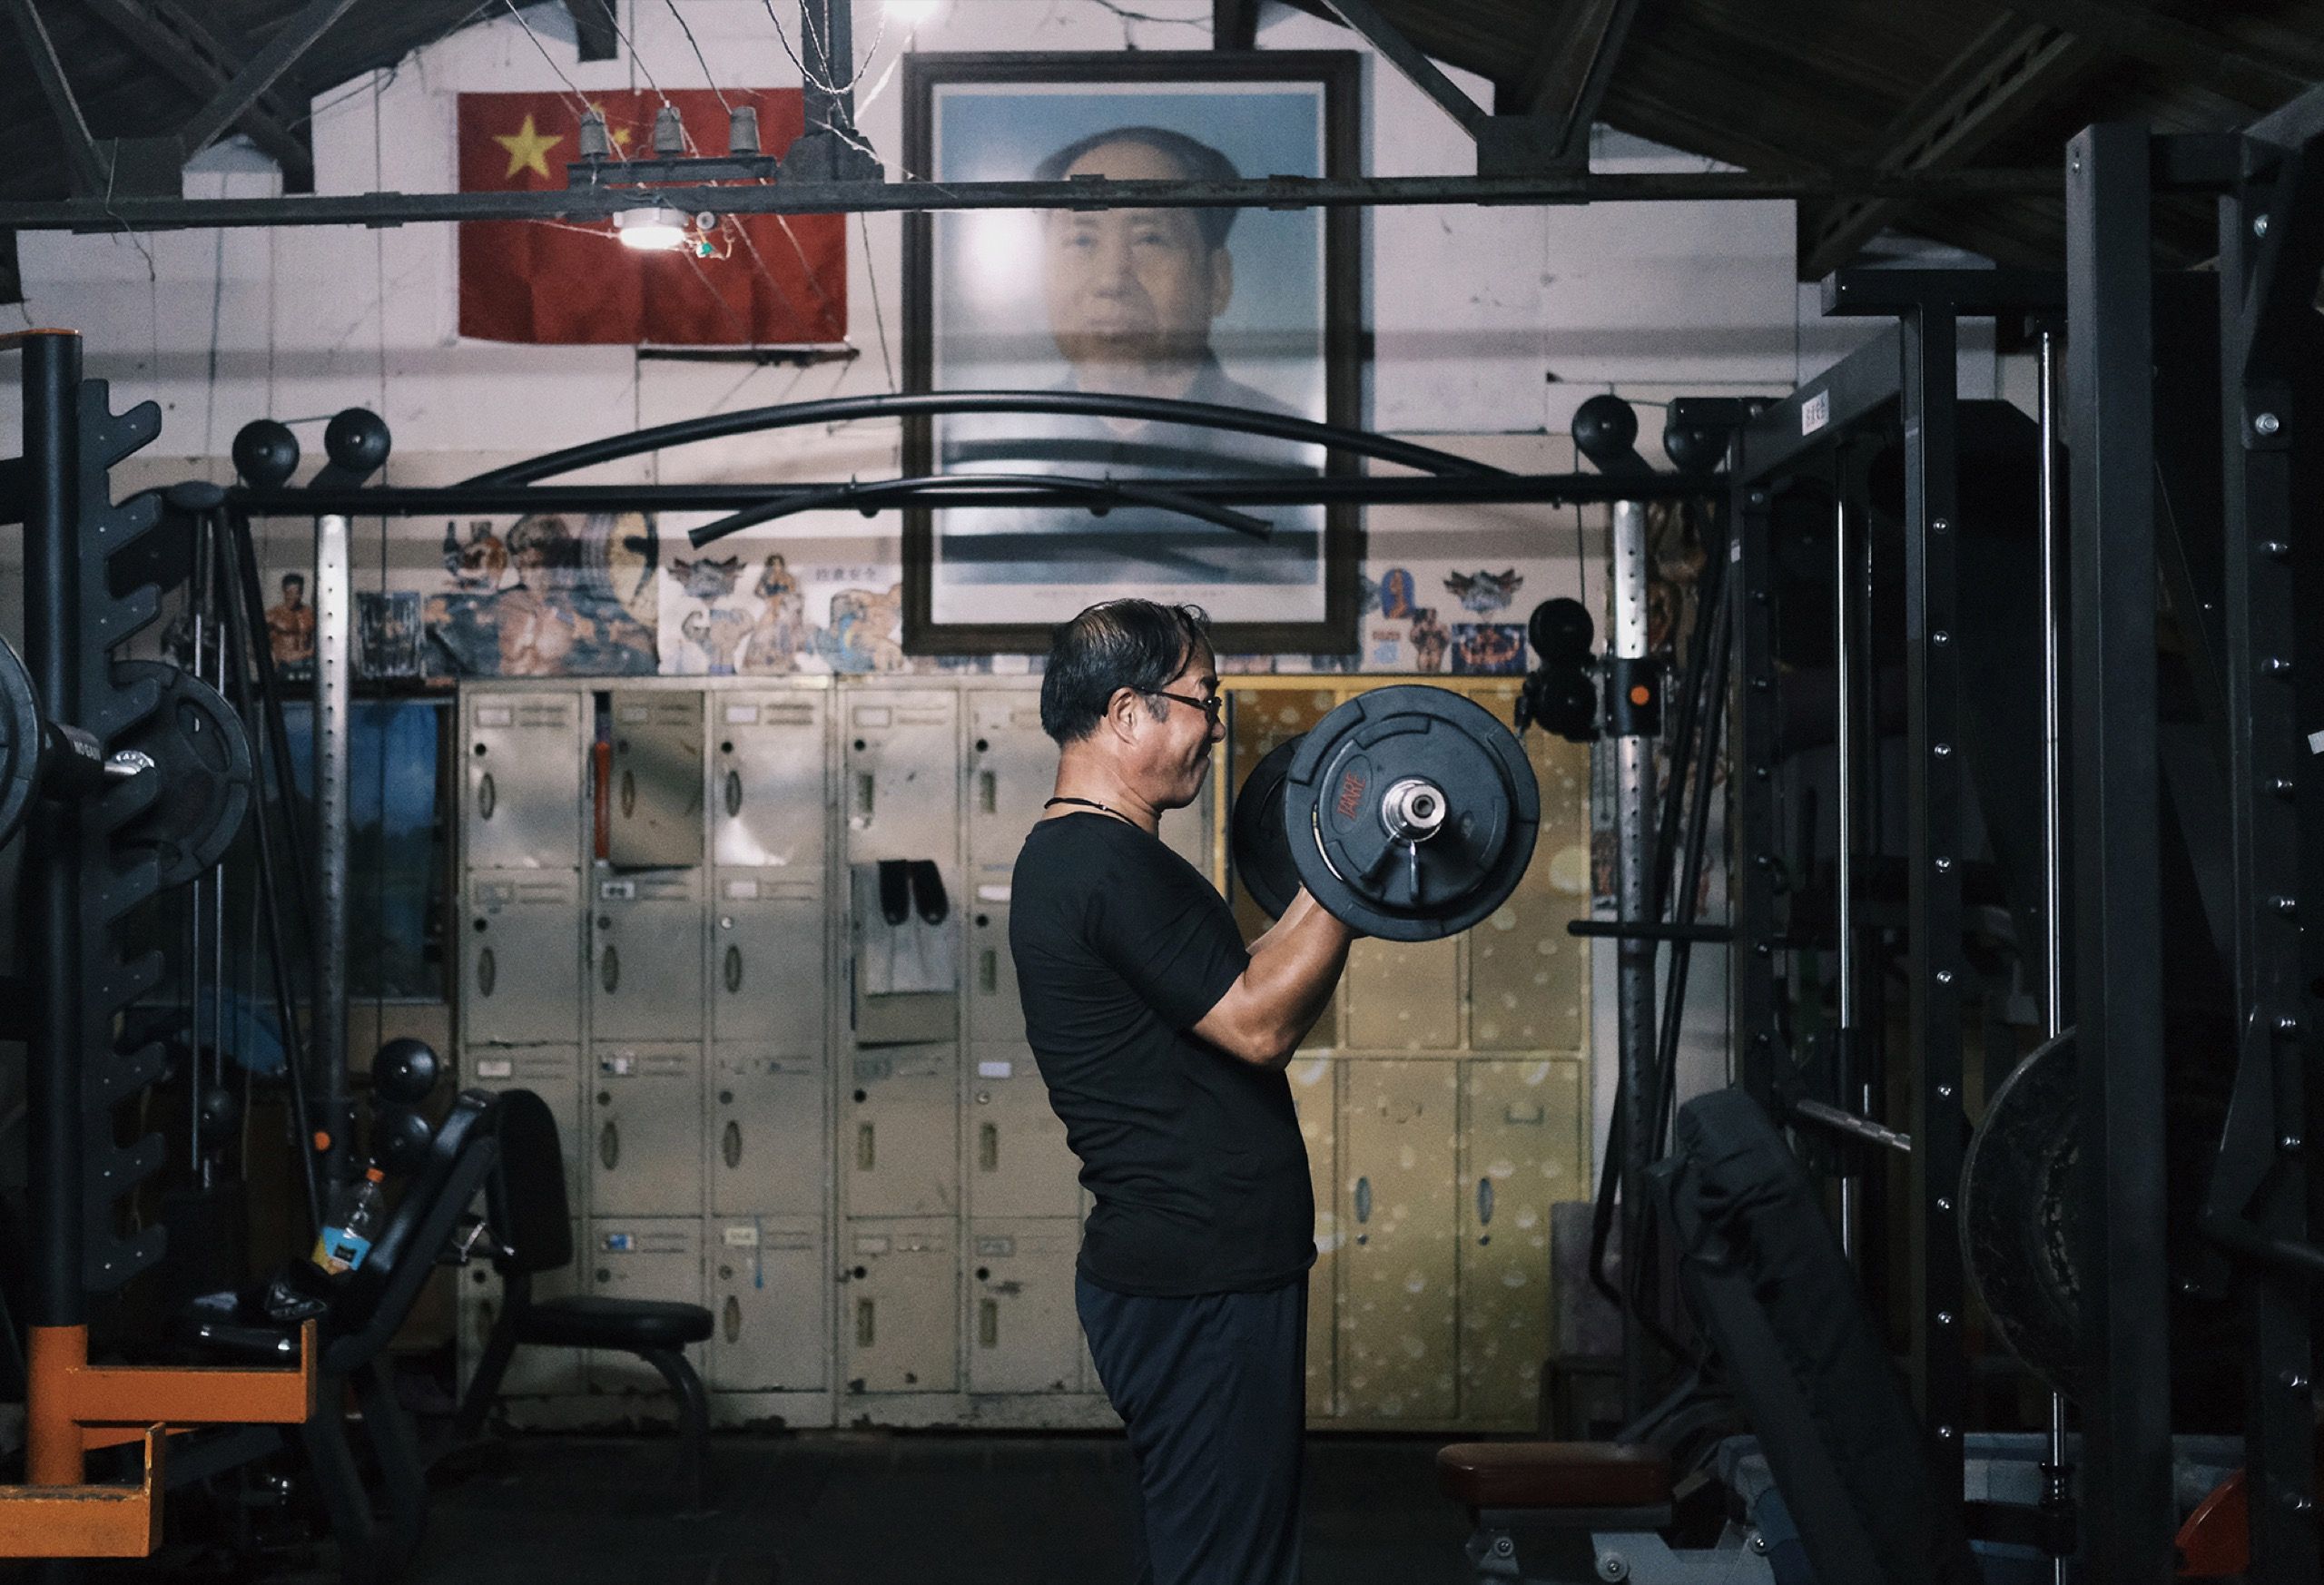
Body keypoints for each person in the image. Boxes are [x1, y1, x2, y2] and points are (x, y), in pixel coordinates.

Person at [1009, 599, 1356, 1584]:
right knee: (1225, 1567)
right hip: (1197, 1275)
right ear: (1128, 713)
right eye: (1201, 699)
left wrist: (1341, 878)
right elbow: (1257, 1022)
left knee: (1227, 1553)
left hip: (1200, 1267)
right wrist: (1351, 866)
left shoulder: (1104, 859)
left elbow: (1233, 979)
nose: (1214, 722)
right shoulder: (1100, 863)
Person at [938, 127, 1324, 595]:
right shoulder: (994, 460)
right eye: (1082, 242)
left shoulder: (1283, 453)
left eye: (1149, 240)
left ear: (1217, 279)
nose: (1111, 279)